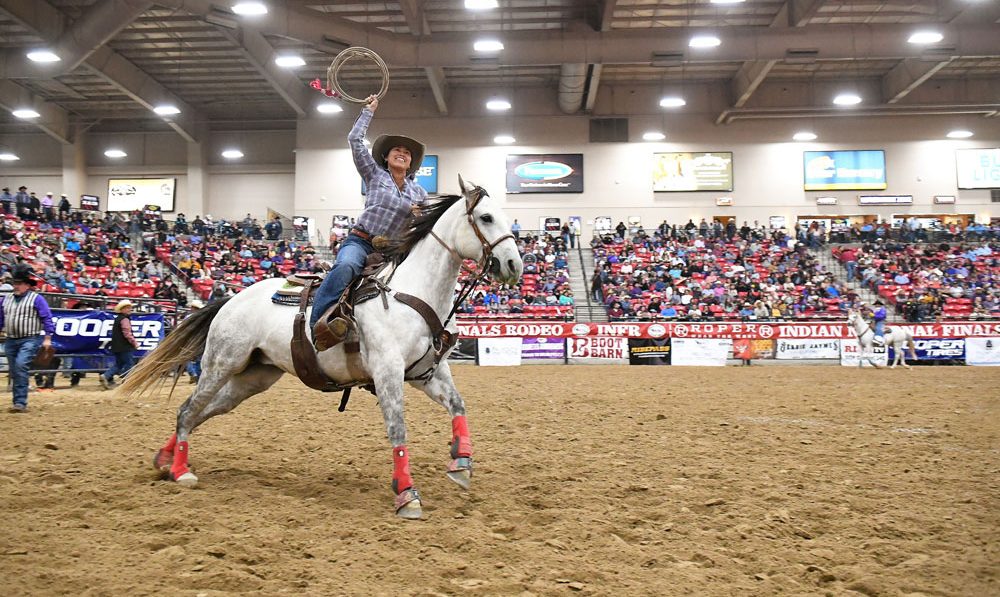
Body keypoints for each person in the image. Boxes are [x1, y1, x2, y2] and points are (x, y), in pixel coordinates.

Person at [308, 94, 427, 350]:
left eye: (407, 153)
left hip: (393, 252)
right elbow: (354, 140)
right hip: (361, 242)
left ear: (411, 163)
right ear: (386, 157)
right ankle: (317, 324)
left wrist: (420, 218)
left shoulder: (420, 193)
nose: (402, 154)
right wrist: (368, 112)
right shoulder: (374, 174)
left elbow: (425, 227)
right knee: (345, 267)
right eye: (397, 150)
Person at [1, 266, 55, 412]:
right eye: (14, 283)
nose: (16, 286)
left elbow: (46, 318)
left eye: (19, 283)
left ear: (27, 285)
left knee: (20, 365)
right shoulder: (6, 299)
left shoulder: (37, 299)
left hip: (30, 338)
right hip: (11, 339)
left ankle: (20, 402)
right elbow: (1, 318)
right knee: (15, 369)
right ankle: (18, 401)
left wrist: (47, 338)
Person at [99, 300, 139, 389]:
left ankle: (106, 375)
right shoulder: (125, 319)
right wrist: (134, 343)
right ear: (122, 309)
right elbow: (127, 333)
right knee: (129, 363)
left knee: (119, 364)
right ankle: (126, 381)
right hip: (125, 346)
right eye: (127, 308)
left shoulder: (117, 319)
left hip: (117, 346)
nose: (130, 309)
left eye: (130, 308)